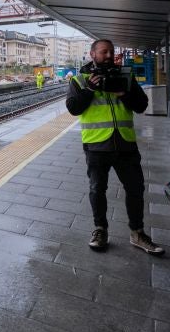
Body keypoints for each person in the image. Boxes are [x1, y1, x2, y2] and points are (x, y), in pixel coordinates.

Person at [65, 39, 164, 255]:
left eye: (111, 51)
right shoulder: (80, 79)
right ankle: (100, 230)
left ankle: (137, 232)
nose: (109, 55)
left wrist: (124, 93)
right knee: (97, 189)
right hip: (96, 145)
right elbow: (73, 108)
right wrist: (90, 89)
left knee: (136, 189)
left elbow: (141, 106)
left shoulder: (126, 77)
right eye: (103, 52)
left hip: (125, 143)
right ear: (93, 54)